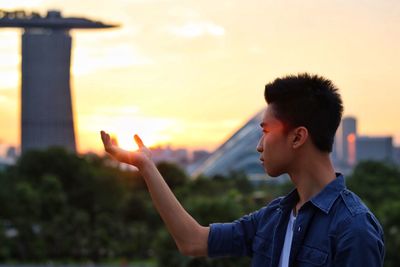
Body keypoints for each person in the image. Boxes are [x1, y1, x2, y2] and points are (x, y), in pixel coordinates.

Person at [100, 73, 384, 266]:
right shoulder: (274, 217)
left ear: (298, 137)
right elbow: (192, 241)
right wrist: (146, 166)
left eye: (266, 131)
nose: (259, 146)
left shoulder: (353, 228)